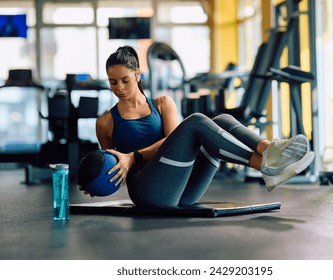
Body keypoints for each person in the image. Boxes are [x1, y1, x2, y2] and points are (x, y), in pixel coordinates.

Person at [84, 45, 315, 208]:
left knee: (222, 120)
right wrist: (94, 179)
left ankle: (267, 151)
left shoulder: (163, 105)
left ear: (137, 74)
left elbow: (173, 142)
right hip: (149, 193)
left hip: (183, 190)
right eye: (113, 82)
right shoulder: (105, 122)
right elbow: (113, 166)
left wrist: (134, 155)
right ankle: (267, 163)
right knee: (195, 122)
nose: (119, 88)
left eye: (125, 80)